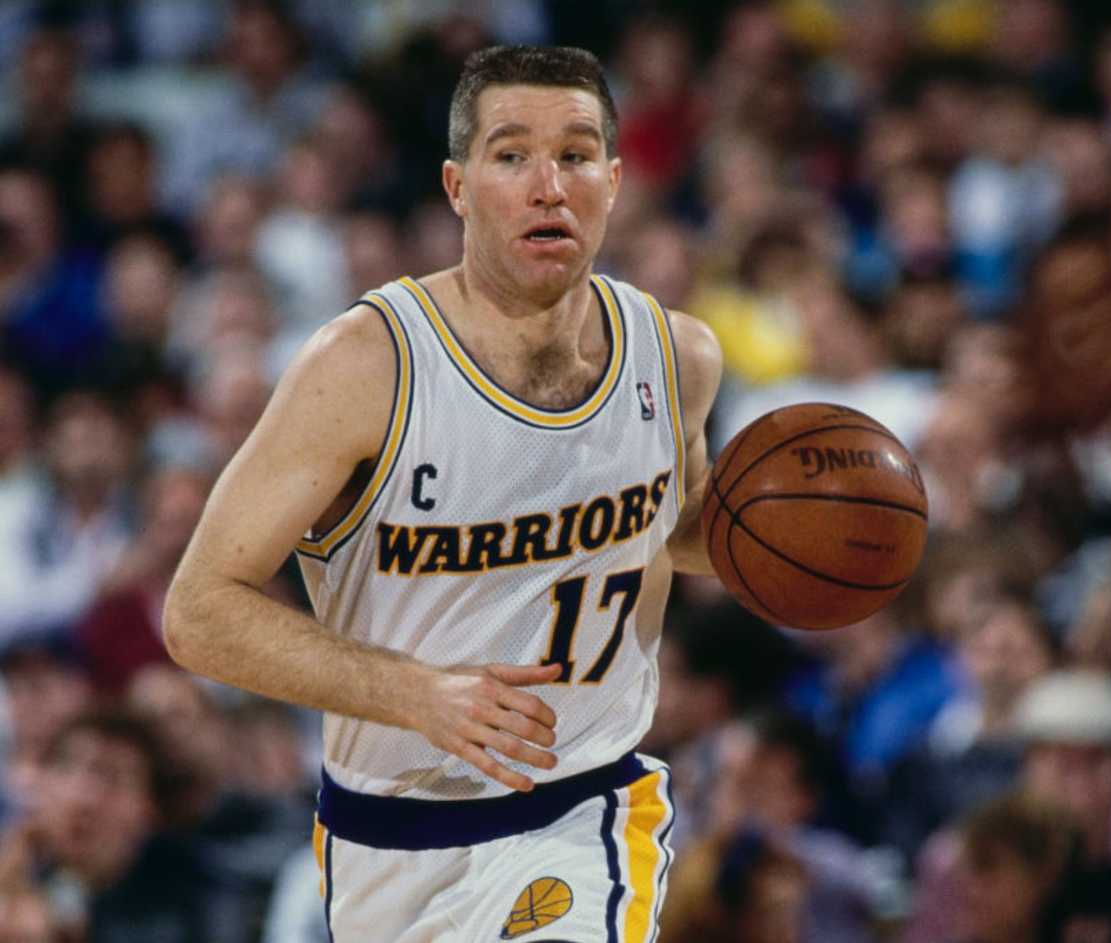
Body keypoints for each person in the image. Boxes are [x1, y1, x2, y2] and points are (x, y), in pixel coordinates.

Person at [164, 45, 723, 942]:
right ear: (458, 187)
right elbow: (199, 611)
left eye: (576, 155)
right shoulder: (365, 367)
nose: (550, 186)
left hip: (583, 810)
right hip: (382, 837)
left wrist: (794, 551)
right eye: (512, 155)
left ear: (614, 181)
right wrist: (420, 695)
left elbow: (683, 533)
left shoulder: (678, 357)